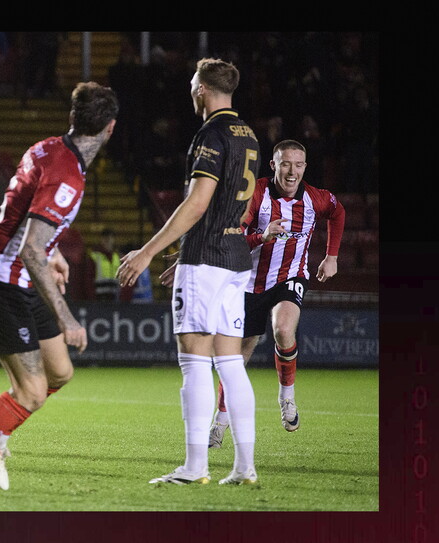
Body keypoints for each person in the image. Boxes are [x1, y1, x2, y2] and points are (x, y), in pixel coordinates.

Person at [0, 82, 118, 496]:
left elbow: (27, 227)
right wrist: (68, 317)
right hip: (1, 283)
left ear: (73, 118)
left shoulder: (46, 147)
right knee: (31, 392)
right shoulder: (68, 175)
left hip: (17, 278)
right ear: (110, 129)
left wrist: (52, 252)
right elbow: (30, 250)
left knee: (60, 373)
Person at [116, 58, 260, 486]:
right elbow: (241, 206)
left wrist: (148, 251)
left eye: (191, 82)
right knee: (231, 362)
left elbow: (197, 202)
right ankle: (244, 467)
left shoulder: (210, 134)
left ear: (201, 89)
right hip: (234, 257)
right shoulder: (249, 135)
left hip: (208, 259)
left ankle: (194, 467)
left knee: (194, 362)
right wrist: (188, 252)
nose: (189, 87)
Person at [206, 139, 345, 447]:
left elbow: (338, 212)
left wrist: (331, 255)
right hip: (248, 283)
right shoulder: (256, 194)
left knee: (284, 329)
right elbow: (234, 239)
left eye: (298, 164)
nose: (291, 171)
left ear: (305, 167)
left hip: (290, 276)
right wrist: (262, 236)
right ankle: (221, 420)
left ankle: (287, 397)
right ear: (273, 165)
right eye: (285, 164)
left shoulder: (315, 199)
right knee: (235, 359)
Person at [88, 227, 121, 301]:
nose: (108, 241)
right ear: (101, 240)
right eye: (106, 238)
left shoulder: (116, 257)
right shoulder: (95, 257)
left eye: (110, 238)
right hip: (98, 298)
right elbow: (89, 280)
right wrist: (91, 299)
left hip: (114, 298)